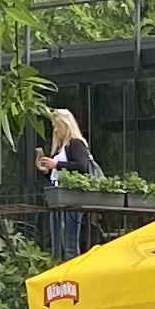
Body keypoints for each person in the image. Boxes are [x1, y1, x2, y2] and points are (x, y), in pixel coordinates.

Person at [35, 106, 100, 255]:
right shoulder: (60, 148)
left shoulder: (76, 143)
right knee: (57, 239)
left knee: (69, 239)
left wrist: (56, 164)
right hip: (59, 196)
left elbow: (81, 166)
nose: (55, 131)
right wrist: (47, 170)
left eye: (57, 127)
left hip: (71, 197)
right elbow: (59, 172)